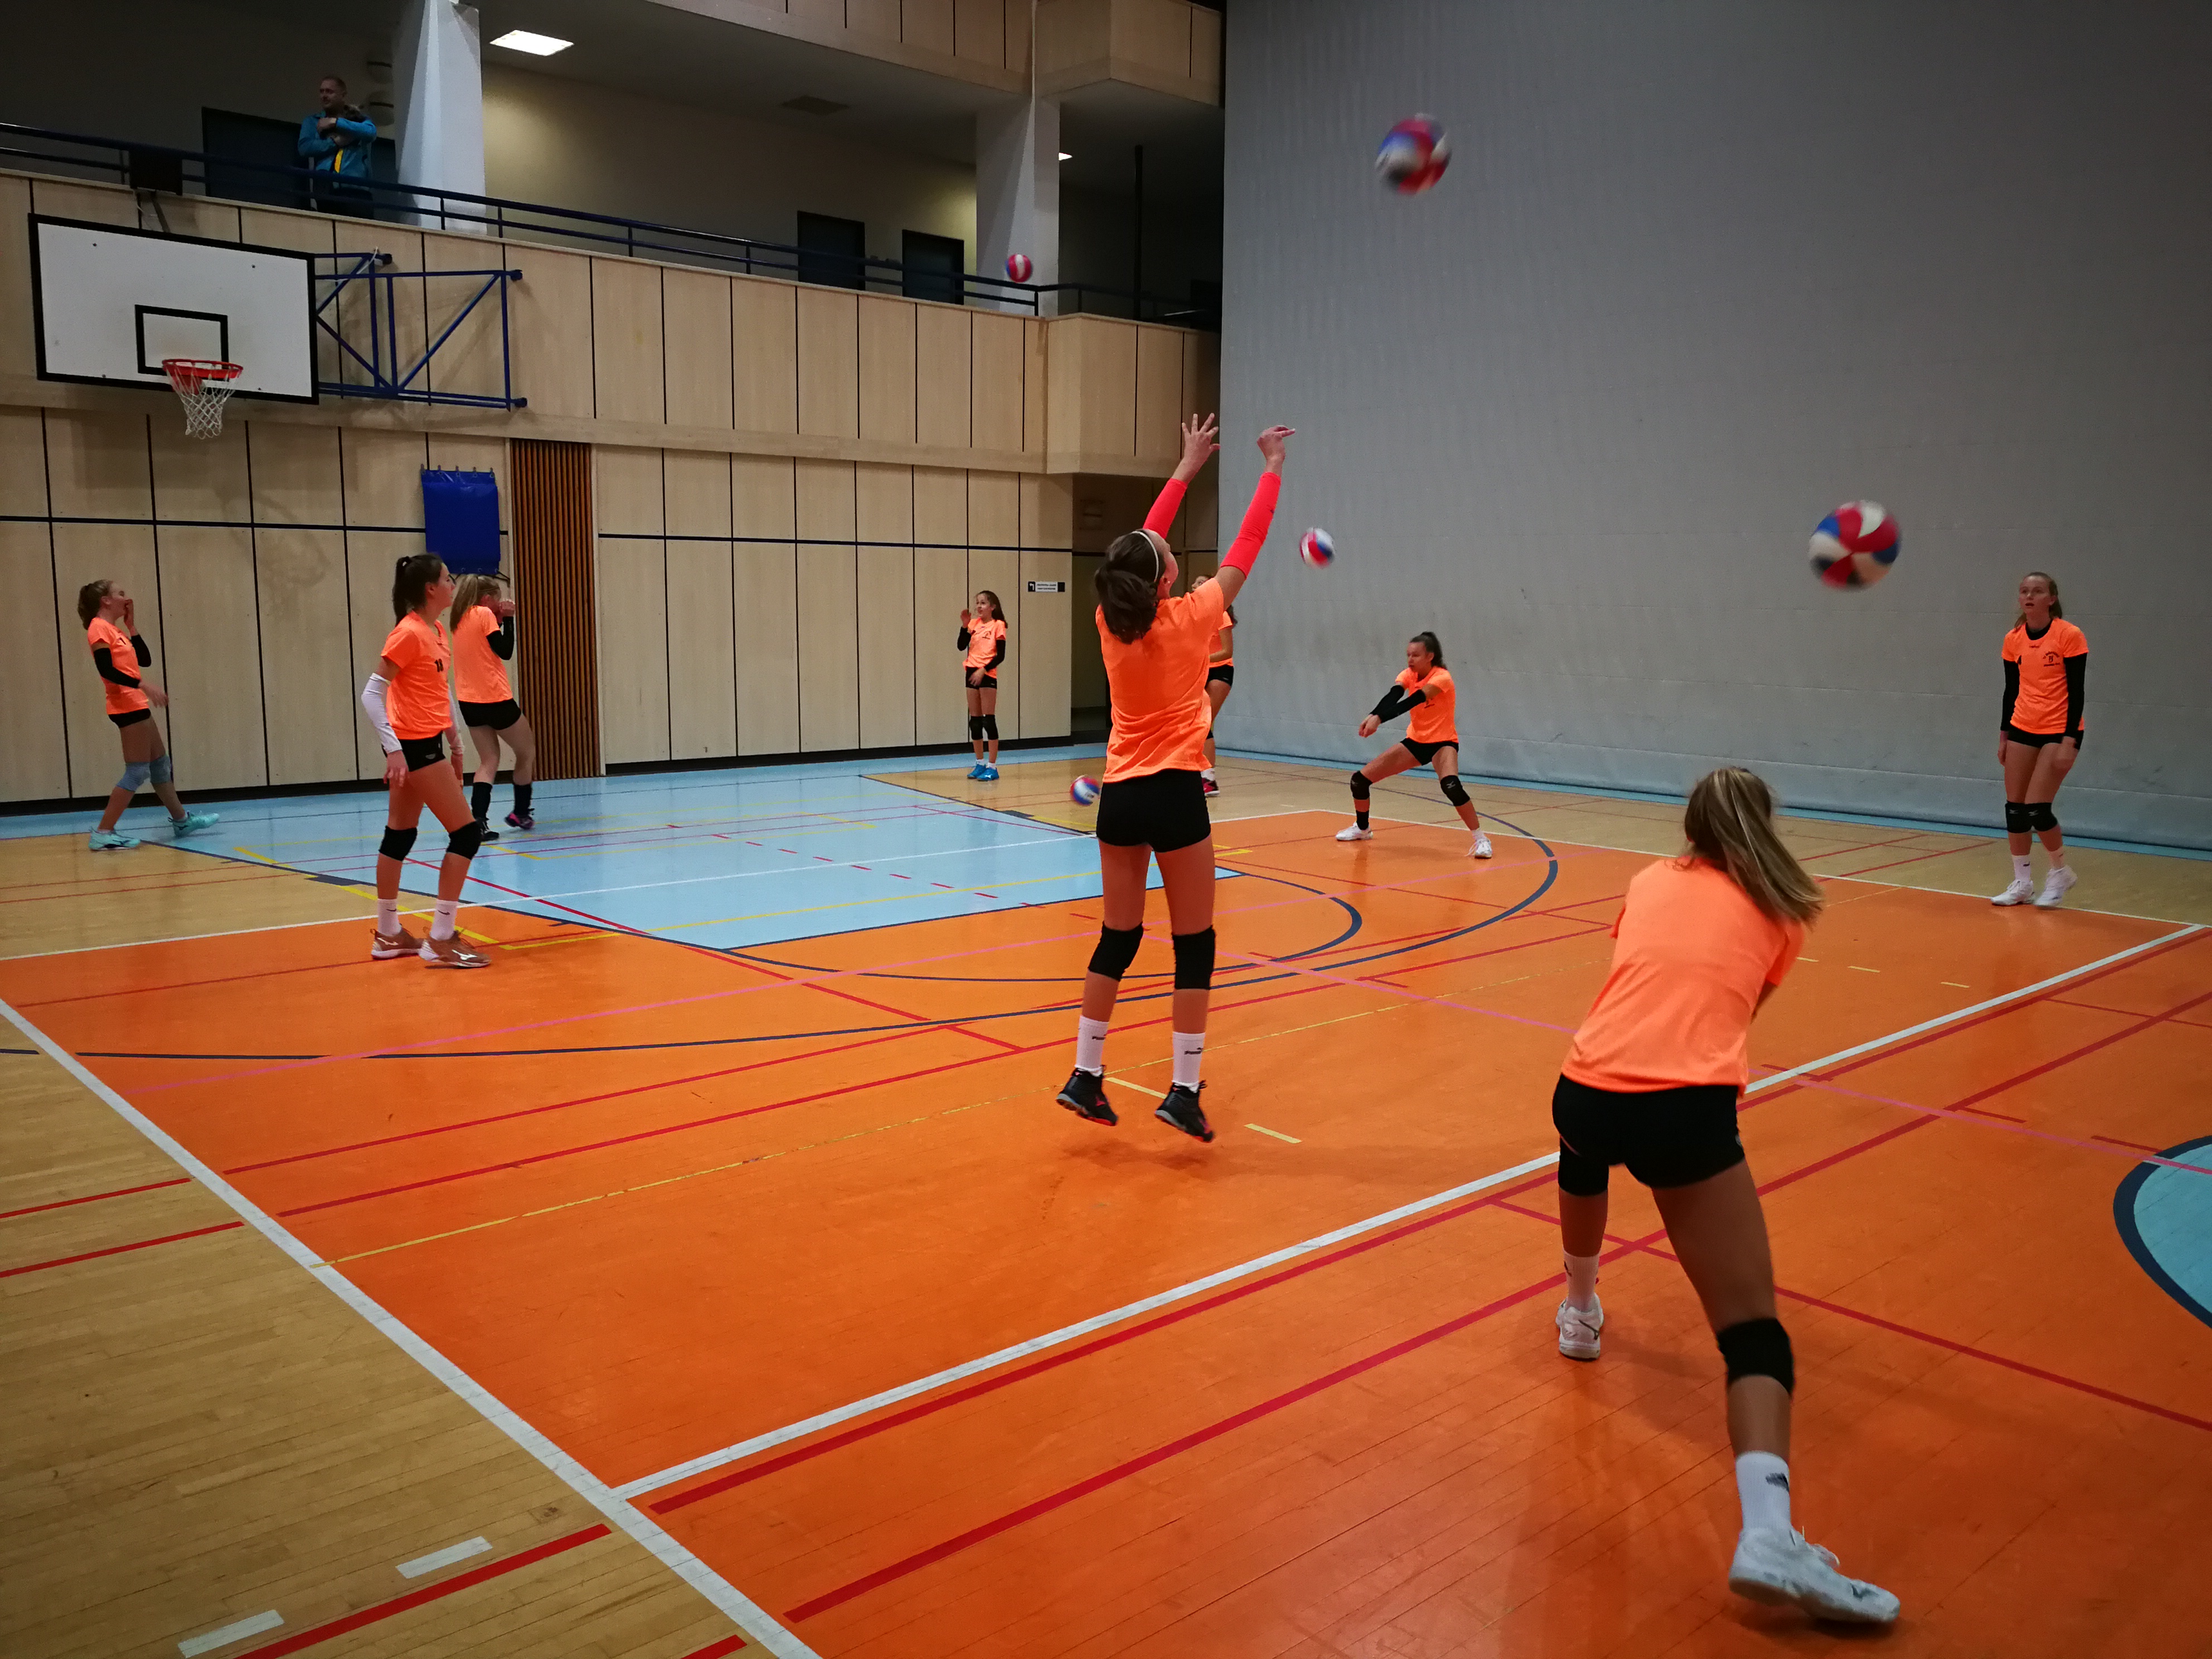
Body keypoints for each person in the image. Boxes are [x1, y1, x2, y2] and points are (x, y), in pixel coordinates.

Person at [1549, 767, 1898, 1624]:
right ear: (1764, 826)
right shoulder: (1785, 913)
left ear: (1691, 825)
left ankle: (1580, 1311)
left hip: (1582, 1086)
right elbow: (1739, 1013)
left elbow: (1638, 970)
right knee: (1752, 1334)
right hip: (1682, 1110)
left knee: (1583, 1157)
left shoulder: (1648, 880)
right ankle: (1769, 1535)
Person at [1055, 415, 1292, 1142]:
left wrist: (1186, 468)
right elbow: (1247, 544)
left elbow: (1141, 543)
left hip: (1120, 798)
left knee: (1117, 938)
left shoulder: (1110, 620)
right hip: (1176, 792)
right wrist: (1272, 469)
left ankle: (1085, 1075)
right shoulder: (1193, 616)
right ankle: (1183, 1090)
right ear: (1165, 578)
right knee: (1194, 943)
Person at [360, 555, 491, 968]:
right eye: (448, 579)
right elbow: (371, 694)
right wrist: (394, 750)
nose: (454, 584)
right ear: (431, 589)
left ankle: (388, 934)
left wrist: (456, 744)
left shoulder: (435, 631)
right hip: (414, 747)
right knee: (466, 834)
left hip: (428, 743)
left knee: (399, 837)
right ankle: (441, 938)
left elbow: (439, 692)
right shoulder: (408, 633)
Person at [76, 581, 219, 851]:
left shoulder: (115, 629)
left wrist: (131, 626)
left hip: (136, 703)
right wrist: (143, 685)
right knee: (137, 771)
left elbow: (145, 660)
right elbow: (107, 671)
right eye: (120, 594)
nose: (126, 598)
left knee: (160, 766)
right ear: (106, 601)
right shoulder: (98, 628)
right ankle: (103, 832)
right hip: (125, 705)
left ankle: (181, 821)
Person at [1334, 632, 1491, 857]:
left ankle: (1481, 839)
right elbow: (1394, 696)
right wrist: (1373, 714)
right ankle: (1362, 828)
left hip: (1443, 743)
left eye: (1416, 655)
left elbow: (1413, 701)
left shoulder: (1442, 678)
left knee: (1451, 786)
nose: (1410, 659)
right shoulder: (1409, 675)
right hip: (1416, 743)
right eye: (1408, 655)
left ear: (1430, 656)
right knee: (1359, 781)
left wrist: (1380, 719)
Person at [1992, 571, 2086, 909]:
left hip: (2059, 729)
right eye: (2024, 591)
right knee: (2015, 808)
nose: (2029, 596)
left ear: (2052, 599)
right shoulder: (2013, 639)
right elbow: (2010, 691)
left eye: (2037, 591)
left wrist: (2070, 739)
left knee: (2037, 808)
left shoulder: (2068, 635)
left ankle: (2060, 872)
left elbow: (2077, 691)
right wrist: (2004, 736)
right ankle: (2022, 883)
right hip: (2022, 726)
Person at [449, 574, 536, 835]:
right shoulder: (483, 614)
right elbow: (505, 650)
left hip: (469, 701)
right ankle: (521, 812)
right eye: (497, 599)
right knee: (526, 751)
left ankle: (478, 821)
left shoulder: (459, 618)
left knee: (488, 761)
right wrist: (508, 619)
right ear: (487, 598)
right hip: (495, 698)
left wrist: (497, 620)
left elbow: (484, 646)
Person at [299, 75, 376, 217]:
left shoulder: (359, 120)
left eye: (329, 92)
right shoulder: (313, 121)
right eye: (322, 91)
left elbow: (371, 132)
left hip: (356, 189)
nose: (324, 96)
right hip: (325, 186)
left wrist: (335, 123)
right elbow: (305, 148)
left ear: (343, 96)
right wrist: (335, 143)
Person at [959, 592, 1007, 780]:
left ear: (992, 607)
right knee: (975, 722)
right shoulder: (973, 624)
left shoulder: (998, 625)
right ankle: (980, 763)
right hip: (971, 672)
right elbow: (961, 646)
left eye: (983, 603)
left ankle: (992, 767)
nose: (979, 606)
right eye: (978, 603)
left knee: (989, 721)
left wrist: (983, 670)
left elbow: (1001, 656)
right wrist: (965, 626)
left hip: (987, 674)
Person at [1200, 603, 1235, 797]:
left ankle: (1209, 779)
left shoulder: (1221, 616)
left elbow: (1227, 651)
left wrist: (1201, 658)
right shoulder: (1194, 615)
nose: (1195, 589)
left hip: (1220, 670)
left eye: (1199, 587)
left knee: (1204, 722)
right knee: (1193, 723)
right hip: (1199, 671)